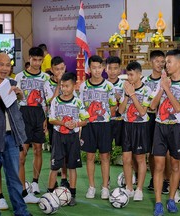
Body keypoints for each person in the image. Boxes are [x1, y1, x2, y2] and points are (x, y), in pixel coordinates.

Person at [150, 49, 180, 216]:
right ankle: (159, 202)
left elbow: (178, 108)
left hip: (176, 128)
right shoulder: (162, 81)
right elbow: (153, 107)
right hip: (160, 127)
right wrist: (162, 88)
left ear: (179, 63)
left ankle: (170, 199)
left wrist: (167, 89)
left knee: (175, 166)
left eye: (169, 62)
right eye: (165, 62)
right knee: (159, 166)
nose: (165, 65)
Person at [0, 52, 31, 215]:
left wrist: (19, 95)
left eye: (7, 65)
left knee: (14, 179)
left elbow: (17, 106)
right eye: (1, 64)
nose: (4, 68)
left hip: (11, 138)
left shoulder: (12, 82)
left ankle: (21, 211)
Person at [47, 72, 89, 206]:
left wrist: (75, 124)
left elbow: (86, 120)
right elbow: (51, 120)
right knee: (54, 166)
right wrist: (63, 123)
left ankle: (72, 194)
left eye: (67, 86)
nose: (64, 89)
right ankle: (49, 194)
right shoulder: (55, 101)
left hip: (73, 137)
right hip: (58, 136)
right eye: (62, 86)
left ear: (74, 85)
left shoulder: (78, 102)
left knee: (72, 167)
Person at [79, 55, 117, 200]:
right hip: (89, 126)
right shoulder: (83, 86)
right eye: (93, 68)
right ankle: (91, 187)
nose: (96, 70)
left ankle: (105, 188)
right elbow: (81, 106)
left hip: (104, 125)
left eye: (99, 67)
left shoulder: (109, 86)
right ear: (89, 69)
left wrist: (104, 116)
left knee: (105, 156)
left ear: (103, 68)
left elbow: (113, 105)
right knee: (89, 156)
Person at [15, 47, 49, 200]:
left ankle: (35, 182)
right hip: (23, 114)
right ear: (29, 58)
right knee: (22, 155)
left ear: (42, 60)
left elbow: (47, 101)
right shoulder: (19, 76)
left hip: (38, 114)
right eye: (34, 59)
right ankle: (22, 190)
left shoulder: (45, 78)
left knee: (38, 149)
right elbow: (14, 100)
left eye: (39, 60)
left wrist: (46, 118)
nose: (36, 63)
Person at [118, 61, 152, 201]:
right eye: (128, 75)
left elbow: (143, 112)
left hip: (141, 127)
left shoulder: (147, 90)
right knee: (126, 159)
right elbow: (120, 111)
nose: (129, 78)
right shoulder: (124, 88)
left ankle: (139, 189)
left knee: (140, 159)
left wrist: (133, 95)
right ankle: (129, 188)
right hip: (127, 126)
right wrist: (127, 95)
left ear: (139, 74)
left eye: (132, 75)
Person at [142, 50, 171, 194]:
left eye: (162, 62)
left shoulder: (167, 80)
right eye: (157, 61)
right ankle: (154, 179)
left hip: (164, 119)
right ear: (151, 62)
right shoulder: (145, 81)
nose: (160, 64)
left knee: (164, 152)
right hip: (149, 118)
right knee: (151, 153)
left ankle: (167, 180)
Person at [44, 56, 70, 187]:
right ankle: (52, 182)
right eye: (57, 69)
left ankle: (64, 178)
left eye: (62, 69)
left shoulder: (69, 82)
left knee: (66, 152)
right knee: (55, 152)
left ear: (65, 68)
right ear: (52, 70)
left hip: (67, 123)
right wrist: (59, 86)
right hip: (54, 122)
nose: (60, 72)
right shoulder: (47, 84)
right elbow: (52, 101)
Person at [106, 56, 124, 147]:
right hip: (106, 122)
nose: (112, 71)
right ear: (105, 69)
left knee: (120, 149)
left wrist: (119, 98)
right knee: (106, 149)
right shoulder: (103, 85)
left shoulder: (124, 85)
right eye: (110, 68)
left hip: (120, 121)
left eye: (115, 68)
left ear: (120, 70)